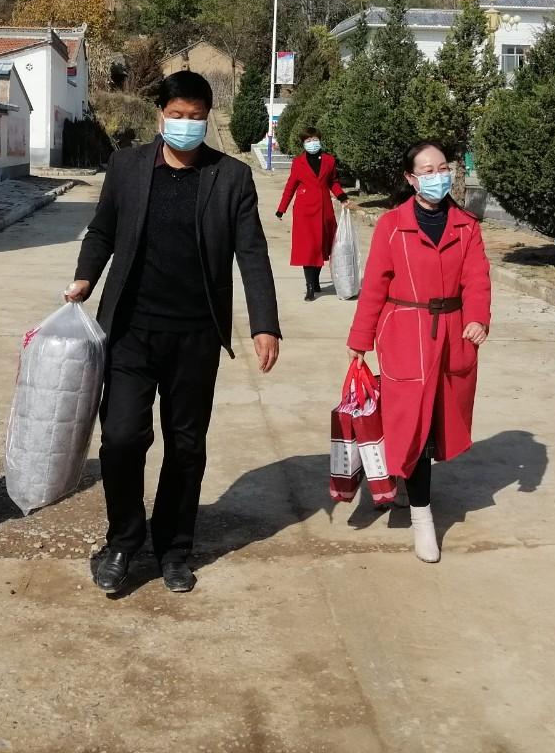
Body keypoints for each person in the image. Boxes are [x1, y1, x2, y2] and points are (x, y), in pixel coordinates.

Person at [67, 71, 281, 597]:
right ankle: (122, 542)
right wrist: (84, 277)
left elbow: (251, 251)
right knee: (120, 439)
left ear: (208, 119)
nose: (186, 125)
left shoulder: (230, 177)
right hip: (131, 332)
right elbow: (103, 230)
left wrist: (264, 323)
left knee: (186, 445)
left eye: (196, 116)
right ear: (160, 114)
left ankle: (174, 547)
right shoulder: (127, 167)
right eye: (177, 115)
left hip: (195, 335)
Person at [346, 142, 491, 564]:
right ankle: (423, 517)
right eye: (426, 169)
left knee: (439, 422)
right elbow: (375, 284)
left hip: (452, 334)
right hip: (405, 333)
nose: (436, 175)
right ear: (411, 179)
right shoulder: (392, 225)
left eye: (442, 167)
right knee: (415, 425)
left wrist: (478, 317)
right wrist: (361, 339)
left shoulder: (466, 225)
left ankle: (409, 486)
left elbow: (477, 278)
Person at [275, 128, 349, 302]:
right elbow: (290, 186)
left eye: (314, 139)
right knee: (308, 248)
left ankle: (316, 281)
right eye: (307, 141)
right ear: (303, 143)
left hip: (324, 210)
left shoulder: (329, 161)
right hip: (304, 211)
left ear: (320, 140)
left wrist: (342, 197)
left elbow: (334, 182)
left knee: (321, 247)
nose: (311, 143)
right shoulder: (298, 162)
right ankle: (310, 287)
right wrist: (281, 208)